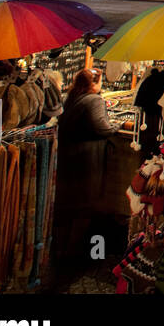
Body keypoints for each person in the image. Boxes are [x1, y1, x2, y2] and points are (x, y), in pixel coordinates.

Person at [55, 69, 118, 263]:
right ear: (95, 84)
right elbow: (101, 127)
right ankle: (75, 255)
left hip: (68, 157)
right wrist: (117, 127)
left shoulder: (72, 97)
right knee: (84, 206)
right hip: (87, 159)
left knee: (68, 207)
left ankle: (59, 250)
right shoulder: (94, 100)